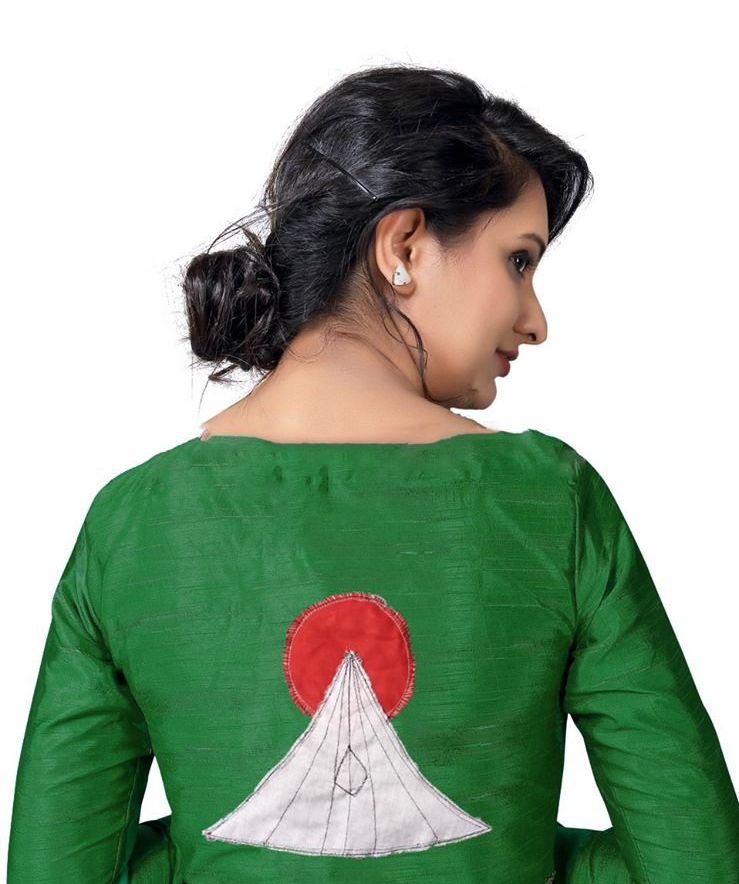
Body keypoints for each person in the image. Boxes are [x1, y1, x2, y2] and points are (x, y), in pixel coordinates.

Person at [7, 64, 738, 884]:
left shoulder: (134, 521)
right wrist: (514, 851)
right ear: (403, 246)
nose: (535, 320)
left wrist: (211, 856)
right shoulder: (551, 501)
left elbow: (54, 869)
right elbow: (694, 865)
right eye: (518, 261)